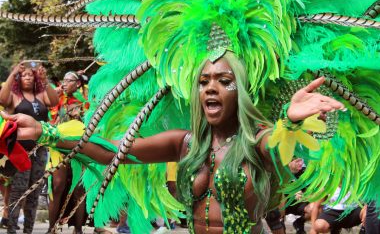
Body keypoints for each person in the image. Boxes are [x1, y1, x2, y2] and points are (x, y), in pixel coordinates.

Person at [2, 52, 346, 233]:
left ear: (240, 91)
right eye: (203, 81)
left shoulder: (257, 141)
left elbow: (277, 146)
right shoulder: (185, 143)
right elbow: (114, 153)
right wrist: (48, 133)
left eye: (224, 80)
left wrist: (289, 120)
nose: (210, 88)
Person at [0, 62, 58, 234]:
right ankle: (11, 229)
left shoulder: (41, 95)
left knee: (34, 191)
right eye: (23, 75)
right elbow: (2, 100)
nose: (27, 78)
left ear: (35, 79)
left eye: (30, 75)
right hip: (19, 150)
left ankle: (28, 230)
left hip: (40, 149)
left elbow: (54, 101)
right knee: (19, 189)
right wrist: (13, 72)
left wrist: (44, 79)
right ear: (19, 78)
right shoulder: (14, 96)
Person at [47, 71, 89, 234]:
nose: (64, 83)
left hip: (80, 147)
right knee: (57, 186)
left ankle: (78, 229)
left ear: (78, 84)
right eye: (63, 80)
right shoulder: (56, 99)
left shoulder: (84, 102)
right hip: (58, 147)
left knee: (79, 188)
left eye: (69, 80)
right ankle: (52, 228)